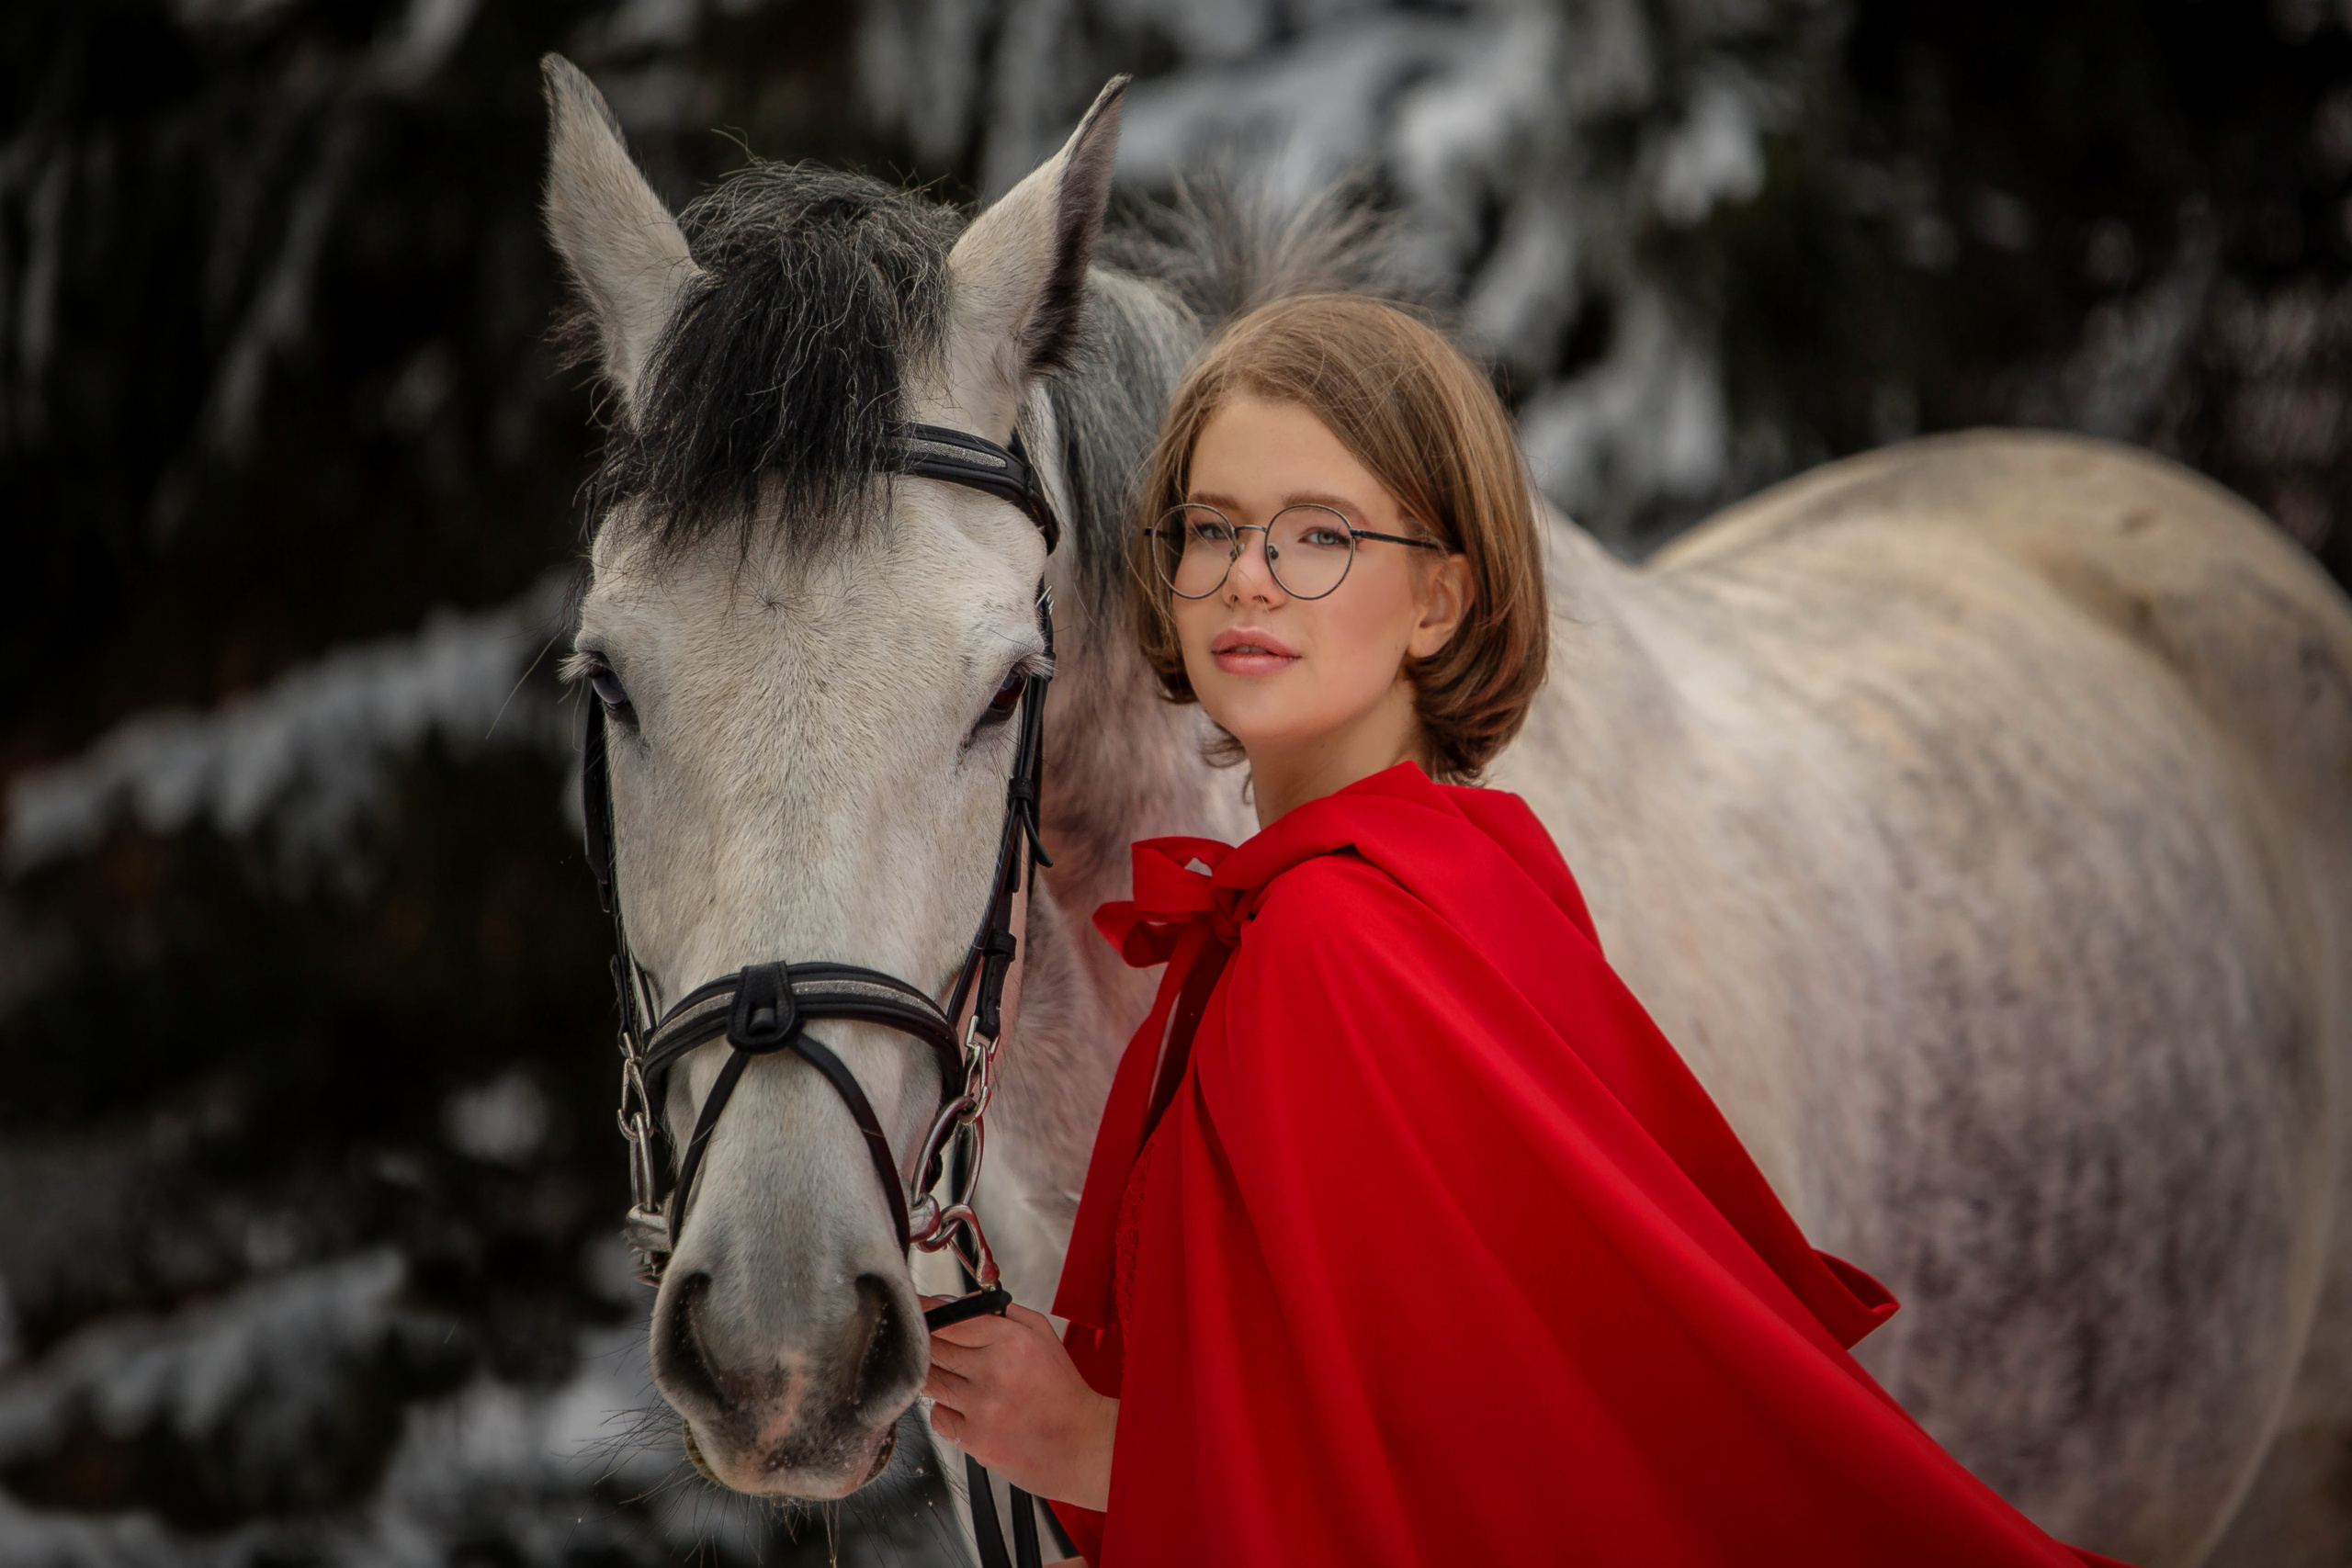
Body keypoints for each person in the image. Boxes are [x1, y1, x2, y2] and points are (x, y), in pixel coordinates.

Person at [919, 293, 2127, 1567]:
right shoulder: (1433, 875)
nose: (1248, 577)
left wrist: (1088, 1444)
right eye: (1211, 528)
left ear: (1438, 603)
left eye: (1319, 534)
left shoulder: (1331, 941)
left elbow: (1489, 1460)